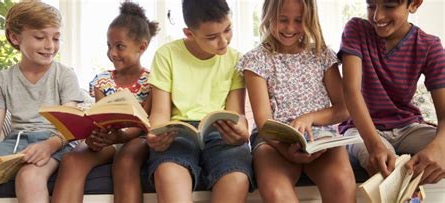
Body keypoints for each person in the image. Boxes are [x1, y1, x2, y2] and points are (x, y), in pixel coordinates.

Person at [237, 0, 356, 202]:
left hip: (321, 139)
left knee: (342, 183)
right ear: (268, 16)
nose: (290, 28)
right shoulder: (256, 60)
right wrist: (286, 151)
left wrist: (309, 118)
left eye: (299, 20)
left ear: (309, 20)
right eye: (282, 20)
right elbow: (264, 122)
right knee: (276, 191)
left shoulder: (321, 55)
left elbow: (344, 108)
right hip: (273, 142)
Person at [0, 2, 82, 203]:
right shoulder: (2, 81)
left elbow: (70, 126)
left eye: (56, 38)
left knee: (28, 177)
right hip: (14, 143)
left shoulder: (65, 75)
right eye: (40, 37)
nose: (50, 45)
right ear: (15, 37)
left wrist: (49, 146)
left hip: (56, 141)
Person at [145, 0, 254, 202]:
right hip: (178, 132)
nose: (223, 41)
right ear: (189, 34)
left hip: (220, 132)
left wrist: (240, 133)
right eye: (212, 37)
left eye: (228, 29)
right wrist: (154, 134)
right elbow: (159, 113)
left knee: (237, 178)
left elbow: (236, 114)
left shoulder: (236, 59)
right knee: (168, 174)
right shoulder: (166, 55)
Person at [51, 2, 158, 203]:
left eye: (120, 46)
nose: (112, 53)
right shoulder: (102, 81)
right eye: (109, 46)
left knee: (126, 160)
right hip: (108, 140)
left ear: (141, 47)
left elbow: (143, 124)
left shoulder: (152, 81)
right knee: (72, 159)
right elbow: (101, 119)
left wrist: (120, 136)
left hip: (137, 140)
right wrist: (95, 137)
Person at [339, 0, 445, 184]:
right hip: (360, 130)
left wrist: (440, 147)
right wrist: (375, 145)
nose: (377, 16)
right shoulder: (356, 30)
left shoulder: (429, 45)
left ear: (414, 4)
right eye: (371, 6)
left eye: (389, 6)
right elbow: (351, 92)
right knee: (386, 167)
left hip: (408, 127)